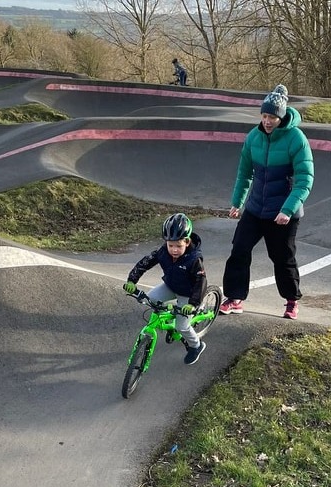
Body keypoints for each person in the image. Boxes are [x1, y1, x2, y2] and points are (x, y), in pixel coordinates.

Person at [218, 84, 314, 320]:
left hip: (283, 212)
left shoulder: (296, 139)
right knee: (239, 249)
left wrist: (287, 210)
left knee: (282, 258)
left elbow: (305, 179)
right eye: (264, 115)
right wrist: (237, 202)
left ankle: (291, 301)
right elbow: (245, 173)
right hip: (256, 208)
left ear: (281, 116)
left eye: (272, 116)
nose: (268, 121)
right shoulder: (253, 137)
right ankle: (235, 298)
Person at [123, 213, 208, 365]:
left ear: (187, 242)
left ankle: (196, 345)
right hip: (170, 286)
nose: (174, 250)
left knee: (182, 326)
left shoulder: (194, 259)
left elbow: (200, 282)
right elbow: (145, 263)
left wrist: (193, 303)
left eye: (178, 246)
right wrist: (132, 280)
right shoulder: (163, 252)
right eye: (170, 245)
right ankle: (171, 319)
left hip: (188, 294)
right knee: (150, 299)